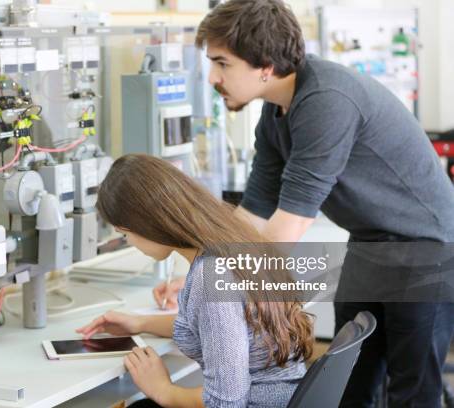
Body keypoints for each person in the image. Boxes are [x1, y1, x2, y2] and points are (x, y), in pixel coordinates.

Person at [155, 1, 454, 407]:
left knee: (413, 392)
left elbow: (284, 233)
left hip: (427, 249)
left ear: (264, 65)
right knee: (353, 381)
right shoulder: (277, 112)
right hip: (371, 243)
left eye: (222, 63)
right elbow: (253, 211)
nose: (212, 77)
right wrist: (201, 270)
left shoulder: (326, 100)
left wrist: (213, 281)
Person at [76, 154, 313, 407]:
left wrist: (164, 391)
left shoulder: (209, 275)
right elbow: (224, 327)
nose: (130, 243)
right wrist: (140, 323)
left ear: (145, 222)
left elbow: (226, 403)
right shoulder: (233, 241)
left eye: (124, 234)